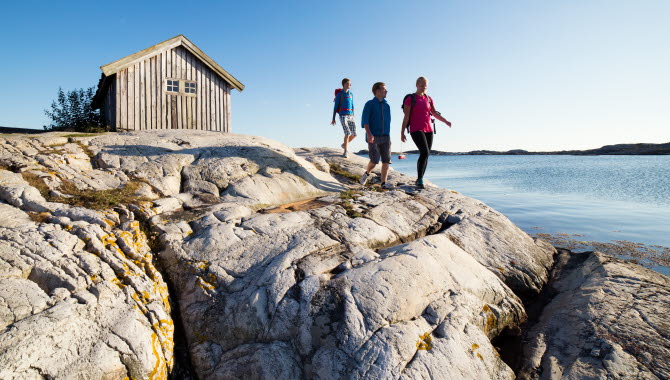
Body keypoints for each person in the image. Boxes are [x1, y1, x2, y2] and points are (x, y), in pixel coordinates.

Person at [400, 77, 452, 189]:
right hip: (416, 129)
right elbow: (406, 116)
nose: (424, 87)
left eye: (425, 85)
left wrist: (446, 121)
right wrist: (402, 132)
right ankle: (419, 179)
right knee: (424, 152)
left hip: (429, 129)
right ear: (417, 85)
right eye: (422, 85)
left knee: (426, 154)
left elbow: (434, 113)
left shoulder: (428, 99)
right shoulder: (410, 98)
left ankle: (420, 178)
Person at [359, 82, 394, 189]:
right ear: (377, 91)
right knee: (374, 161)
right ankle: (367, 173)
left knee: (386, 160)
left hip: (386, 136)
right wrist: (369, 134)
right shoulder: (369, 104)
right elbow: (365, 121)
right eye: (384, 89)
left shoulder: (387, 105)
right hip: (373, 136)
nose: (386, 91)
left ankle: (383, 183)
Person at [331, 78, 357, 157]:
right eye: (349, 83)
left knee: (354, 134)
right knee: (347, 133)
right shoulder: (340, 94)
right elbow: (335, 107)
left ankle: (344, 145)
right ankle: (345, 151)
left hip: (351, 115)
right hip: (343, 115)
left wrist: (353, 115)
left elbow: (352, 106)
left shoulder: (351, 94)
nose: (350, 85)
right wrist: (333, 118)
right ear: (345, 84)